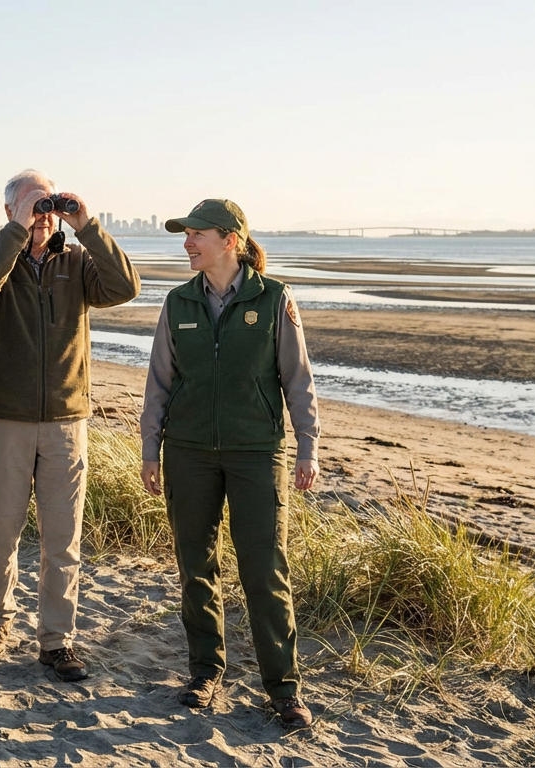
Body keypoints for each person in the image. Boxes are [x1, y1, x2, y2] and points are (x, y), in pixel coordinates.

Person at [139, 199, 320, 728]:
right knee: (196, 566)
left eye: (198, 234)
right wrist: (151, 449)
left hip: (257, 453)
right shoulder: (177, 302)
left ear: (231, 240)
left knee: (265, 570)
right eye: (186, 234)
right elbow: (159, 384)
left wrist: (306, 447)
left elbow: (298, 379)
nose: (188, 242)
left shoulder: (275, 300)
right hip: (189, 452)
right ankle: (205, 671)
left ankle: (283, 687)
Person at [0, 169, 141, 682]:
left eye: (47, 205)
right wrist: (19, 232)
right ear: (8, 212)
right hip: (4, 416)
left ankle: (57, 640)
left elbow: (125, 285)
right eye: (29, 205)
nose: (41, 215)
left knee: (63, 537)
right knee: (0, 529)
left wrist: (86, 225)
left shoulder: (77, 261)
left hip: (67, 419)